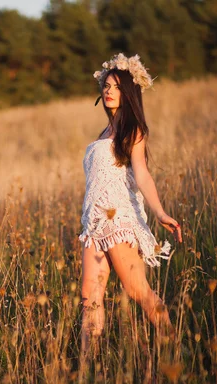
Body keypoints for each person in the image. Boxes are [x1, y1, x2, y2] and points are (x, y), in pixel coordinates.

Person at [78, 53, 182, 353]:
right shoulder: (104, 133)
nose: (108, 91)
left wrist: (160, 213)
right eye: (106, 86)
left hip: (118, 220)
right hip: (94, 223)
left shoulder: (132, 131)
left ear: (129, 93)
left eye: (116, 87)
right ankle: (88, 368)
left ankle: (175, 347)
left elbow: (143, 175)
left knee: (137, 291)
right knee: (89, 295)